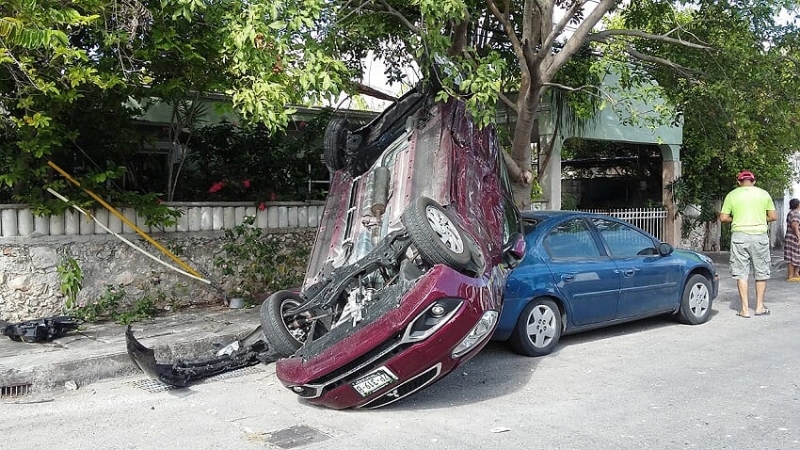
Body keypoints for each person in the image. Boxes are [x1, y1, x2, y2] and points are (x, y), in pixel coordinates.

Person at [719, 170, 777, 318]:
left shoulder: (732, 195)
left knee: (741, 273)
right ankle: (759, 307)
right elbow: (773, 216)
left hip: (740, 236)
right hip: (759, 236)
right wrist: (758, 219)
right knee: (761, 272)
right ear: (753, 181)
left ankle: (744, 309)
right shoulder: (764, 194)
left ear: (738, 182)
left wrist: (737, 218)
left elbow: (723, 217)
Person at [784, 198, 800, 281]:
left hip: (790, 237)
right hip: (793, 238)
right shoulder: (795, 214)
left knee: (795, 255)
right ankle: (791, 275)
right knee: (792, 256)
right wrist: (798, 237)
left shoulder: (791, 213)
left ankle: (795, 274)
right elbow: (795, 226)